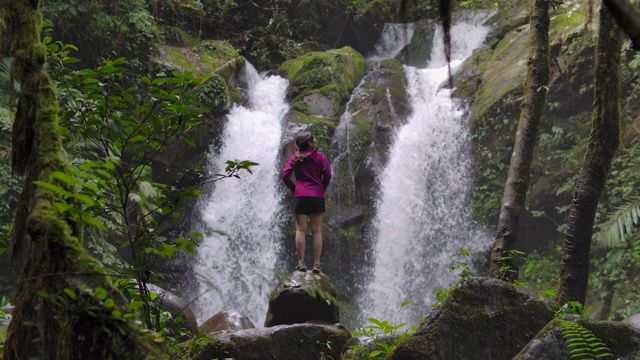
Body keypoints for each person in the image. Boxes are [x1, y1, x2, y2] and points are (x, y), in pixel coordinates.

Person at [281, 131, 332, 274]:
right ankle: (316, 264)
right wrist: (321, 189)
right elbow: (327, 175)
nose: (315, 140)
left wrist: (295, 189)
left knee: (300, 230)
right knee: (316, 231)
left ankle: (301, 262)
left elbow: (285, 176)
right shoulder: (320, 157)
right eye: (313, 139)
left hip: (301, 196)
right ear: (310, 143)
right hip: (317, 196)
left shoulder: (295, 158)